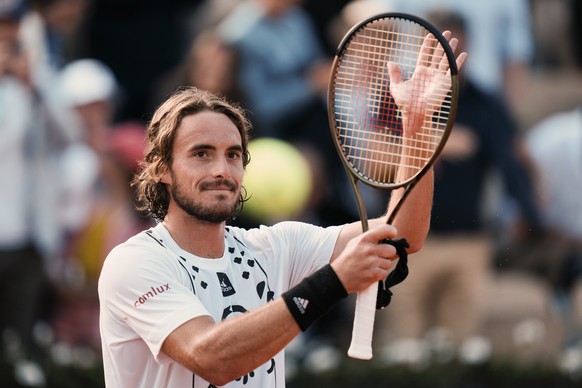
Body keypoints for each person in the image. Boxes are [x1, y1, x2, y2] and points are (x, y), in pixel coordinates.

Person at [98, 31, 467, 386]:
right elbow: (213, 359)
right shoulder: (134, 261)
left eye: (233, 155)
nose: (221, 170)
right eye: (201, 154)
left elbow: (402, 233)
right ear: (161, 168)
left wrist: (416, 128)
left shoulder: (274, 246)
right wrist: (334, 281)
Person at [376, 10, 543, 365]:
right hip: (405, 244)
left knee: (463, 353)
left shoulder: (486, 105)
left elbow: (510, 166)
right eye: (436, 46)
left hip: (468, 241)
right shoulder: (396, 97)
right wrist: (434, 140)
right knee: (404, 353)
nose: (446, 56)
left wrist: (531, 219)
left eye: (456, 45)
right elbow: (372, 158)